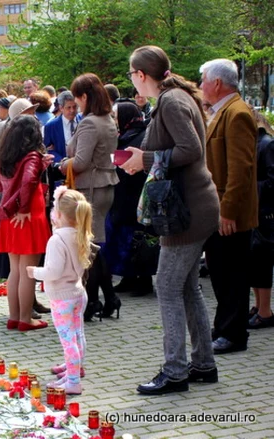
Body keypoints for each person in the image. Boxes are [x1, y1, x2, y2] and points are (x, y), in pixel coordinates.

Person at [121, 45, 219, 395]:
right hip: (188, 207)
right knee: (186, 287)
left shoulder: (172, 101)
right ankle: (203, 364)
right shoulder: (173, 99)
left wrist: (145, 160)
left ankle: (176, 371)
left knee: (166, 287)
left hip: (186, 211)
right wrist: (141, 158)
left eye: (132, 73)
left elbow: (190, 150)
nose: (131, 80)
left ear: (142, 74)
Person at [199, 58, 258, 354]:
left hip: (230, 214)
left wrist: (228, 211)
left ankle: (233, 333)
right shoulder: (223, 112)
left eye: (203, 80)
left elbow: (241, 169)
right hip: (219, 210)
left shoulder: (237, 114)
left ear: (217, 83)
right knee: (221, 273)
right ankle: (224, 326)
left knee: (232, 275)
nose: (200, 86)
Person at [60, 73, 121, 322]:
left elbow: (82, 161)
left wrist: (63, 165)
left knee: (90, 249)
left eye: (77, 98)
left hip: (91, 189)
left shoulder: (89, 123)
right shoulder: (108, 119)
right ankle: (108, 298)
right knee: (96, 246)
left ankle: (92, 301)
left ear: (84, 97)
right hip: (105, 185)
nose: (77, 103)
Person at [28, 187, 93, 394]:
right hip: (77, 292)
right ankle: (74, 369)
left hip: (62, 298)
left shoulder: (57, 240)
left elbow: (53, 271)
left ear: (59, 214)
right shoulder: (80, 234)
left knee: (68, 341)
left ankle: (73, 381)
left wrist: (34, 272)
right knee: (77, 334)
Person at [0, 114, 53, 331]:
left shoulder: (5, 155)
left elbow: (0, 187)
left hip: (10, 215)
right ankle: (25, 319)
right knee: (29, 270)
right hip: (28, 214)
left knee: (15, 270)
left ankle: (14, 316)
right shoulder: (32, 156)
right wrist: (24, 208)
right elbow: (28, 181)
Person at [104, 102, 155, 296]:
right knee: (125, 238)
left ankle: (144, 280)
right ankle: (129, 277)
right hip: (123, 194)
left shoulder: (140, 136)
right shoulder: (125, 135)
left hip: (135, 193)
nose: (115, 121)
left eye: (117, 117)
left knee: (138, 238)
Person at [249, 109, 274, 329]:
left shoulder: (266, 144)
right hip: (256, 210)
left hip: (265, 212)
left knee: (262, 261)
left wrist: (250, 189)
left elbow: (272, 180)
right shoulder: (257, 143)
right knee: (255, 261)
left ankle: (265, 310)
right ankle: (259, 306)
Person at [43, 91, 80, 163]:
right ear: (61, 108)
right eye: (68, 108)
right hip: (62, 167)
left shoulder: (84, 121)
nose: (72, 110)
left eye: (74, 107)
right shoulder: (51, 126)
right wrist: (61, 161)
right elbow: (48, 150)